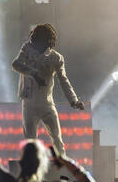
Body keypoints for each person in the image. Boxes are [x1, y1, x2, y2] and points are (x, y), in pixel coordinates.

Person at [12, 23, 84, 156]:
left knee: (57, 140)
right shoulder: (26, 49)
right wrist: (33, 73)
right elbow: (16, 64)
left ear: (45, 39)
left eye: (35, 36)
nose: (31, 39)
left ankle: (63, 169)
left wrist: (74, 100)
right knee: (30, 143)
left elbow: (63, 80)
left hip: (47, 104)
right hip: (29, 104)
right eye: (32, 35)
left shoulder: (56, 58)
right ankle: (33, 172)